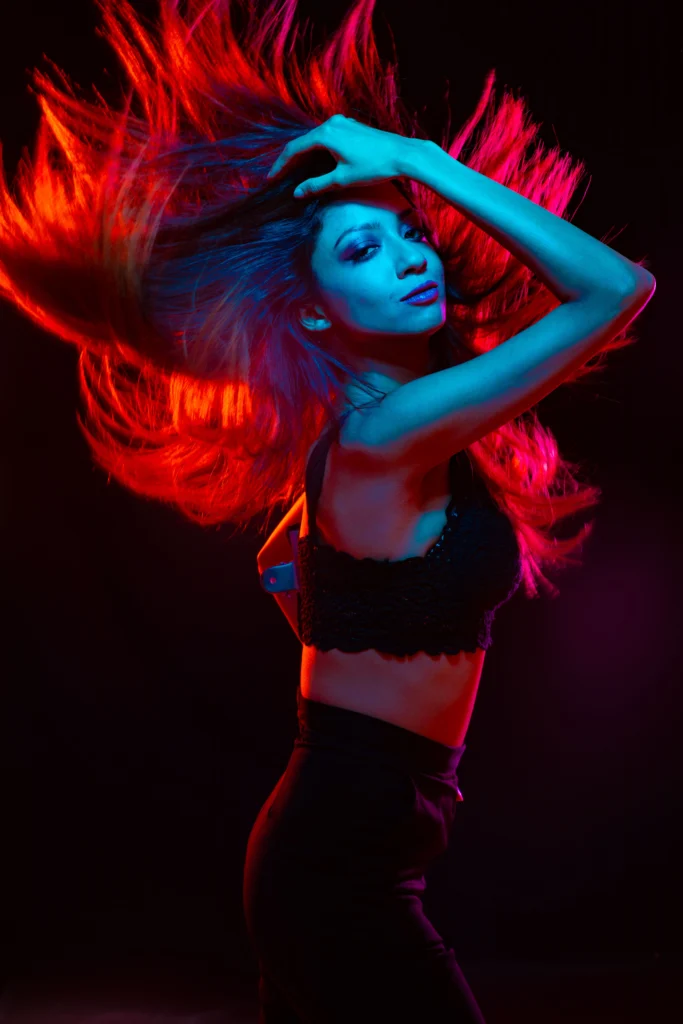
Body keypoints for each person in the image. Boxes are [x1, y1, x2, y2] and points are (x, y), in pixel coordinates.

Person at [0, 2, 656, 1021]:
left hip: (363, 847)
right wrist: (414, 156)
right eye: (359, 251)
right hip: (336, 872)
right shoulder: (378, 439)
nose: (409, 256)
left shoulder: (383, 437)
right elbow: (616, 287)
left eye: (409, 229)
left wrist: (348, 617)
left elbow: (282, 558)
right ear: (311, 307)